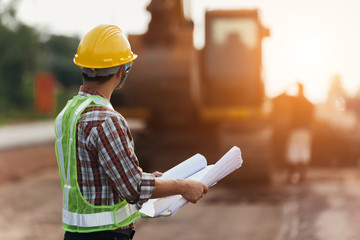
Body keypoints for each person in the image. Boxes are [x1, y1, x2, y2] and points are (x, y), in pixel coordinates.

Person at [54, 24, 208, 240]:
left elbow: (100, 174)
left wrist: (146, 178)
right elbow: (133, 188)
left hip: (74, 234)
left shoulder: (69, 113)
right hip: (106, 236)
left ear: (83, 67)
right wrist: (182, 186)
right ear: (121, 71)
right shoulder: (108, 120)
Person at [285, 82, 314, 183]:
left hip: (295, 131)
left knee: (293, 154)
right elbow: (312, 119)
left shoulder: (295, 101)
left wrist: (290, 86)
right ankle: (303, 177)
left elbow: (283, 95)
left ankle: (290, 177)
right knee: (304, 154)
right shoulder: (309, 103)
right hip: (306, 131)